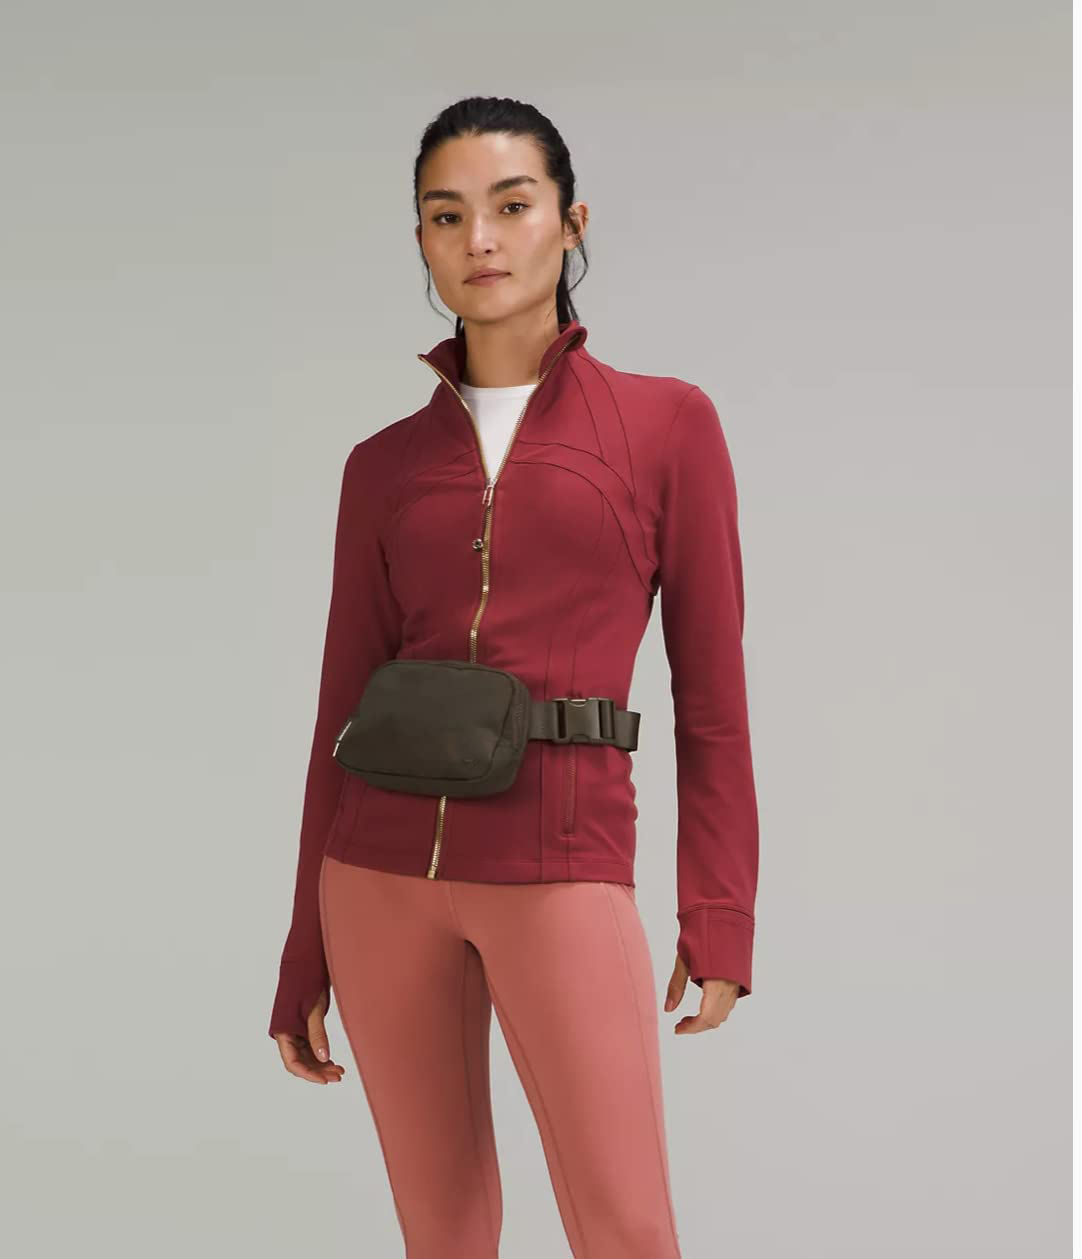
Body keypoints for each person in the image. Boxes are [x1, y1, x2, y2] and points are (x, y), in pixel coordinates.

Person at [267, 95, 760, 1259]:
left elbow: (711, 699)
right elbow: (339, 709)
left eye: (510, 205)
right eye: (446, 215)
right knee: (441, 1235)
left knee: (624, 1227)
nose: (478, 238)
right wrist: (302, 946)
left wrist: (718, 911)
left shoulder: (665, 425)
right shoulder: (381, 465)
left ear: (570, 222)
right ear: (421, 242)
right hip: (376, 876)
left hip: (557, 862)